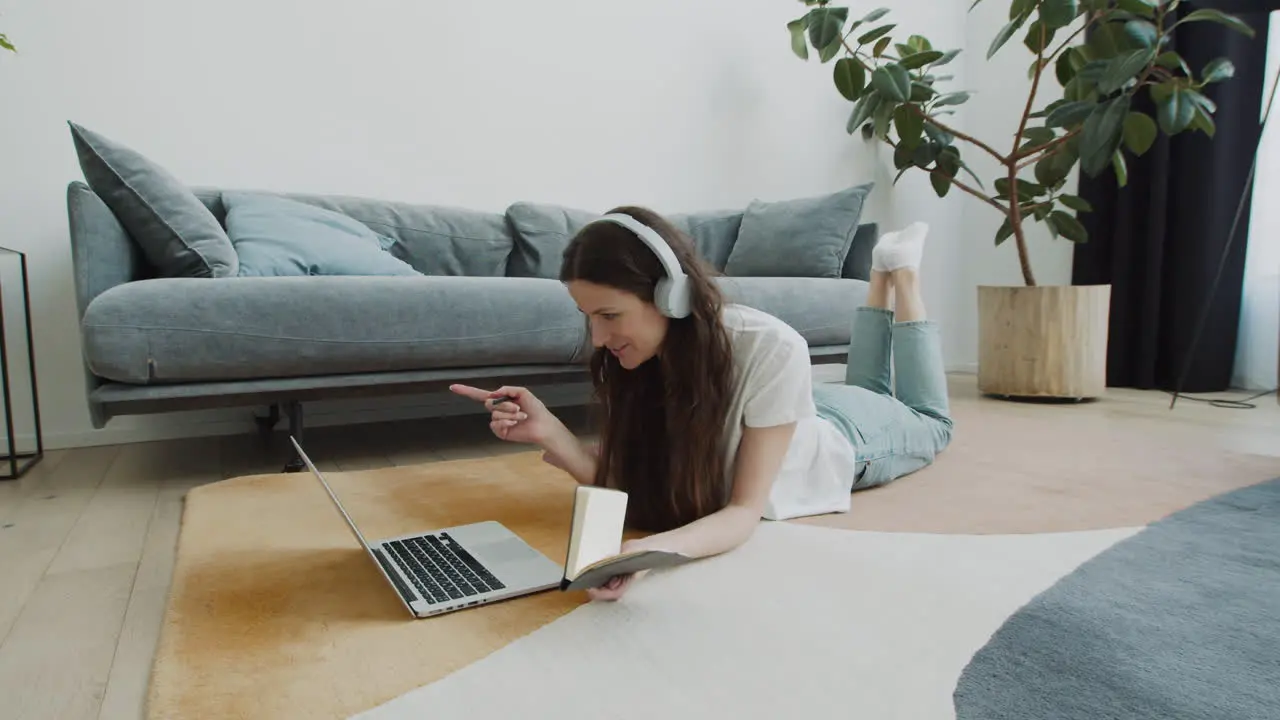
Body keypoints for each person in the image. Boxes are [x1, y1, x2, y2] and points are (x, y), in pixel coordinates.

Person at [450, 206, 953, 601]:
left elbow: (742, 511)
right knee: (868, 384)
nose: (599, 338)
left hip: (851, 439)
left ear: (671, 296)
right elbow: (636, 486)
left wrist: (648, 551)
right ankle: (881, 277)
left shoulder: (772, 346)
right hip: (788, 412)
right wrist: (550, 433)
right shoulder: (642, 359)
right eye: (588, 317)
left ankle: (900, 277)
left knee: (930, 422)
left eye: (610, 315)